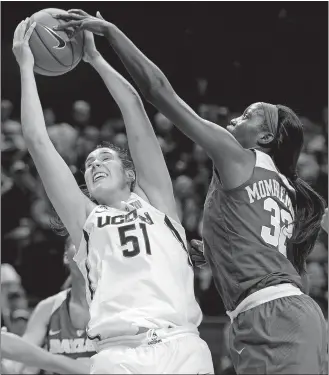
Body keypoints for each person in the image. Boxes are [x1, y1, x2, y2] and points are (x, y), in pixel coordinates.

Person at [55, 10, 327, 374]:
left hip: (274, 318)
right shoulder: (285, 189)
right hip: (278, 316)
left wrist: (111, 33)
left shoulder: (241, 158)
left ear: (264, 139)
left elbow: (157, 92)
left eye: (247, 116)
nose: (234, 119)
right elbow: (279, 265)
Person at [12, 19, 213, 375]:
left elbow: (134, 107)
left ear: (130, 174)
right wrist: (26, 67)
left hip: (180, 344)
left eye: (104, 158)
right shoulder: (85, 220)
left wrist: (95, 58)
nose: (94, 165)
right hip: (119, 355)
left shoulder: (159, 204)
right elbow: (38, 142)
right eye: (88, 164)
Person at [1, 238, 94, 374]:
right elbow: (16, 367)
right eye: (79, 241)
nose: (86, 249)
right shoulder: (48, 308)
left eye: (92, 243)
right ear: (66, 257)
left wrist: (45, 359)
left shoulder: (120, 305)